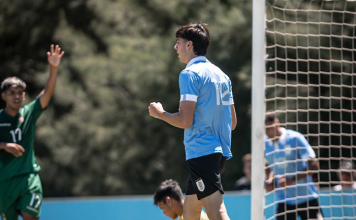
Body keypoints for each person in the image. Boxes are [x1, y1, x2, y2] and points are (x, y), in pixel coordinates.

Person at [148, 22, 237, 220]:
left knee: (217, 212)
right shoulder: (222, 76)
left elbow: (184, 121)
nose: (175, 47)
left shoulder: (189, 74)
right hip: (218, 152)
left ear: (189, 45)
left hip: (202, 152)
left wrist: (160, 113)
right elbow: (232, 123)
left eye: (178, 42)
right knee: (190, 213)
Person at [0, 45, 64, 220]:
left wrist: (53, 67)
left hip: (28, 178)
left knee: (31, 217)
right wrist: (4, 145)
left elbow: (47, 93)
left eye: (20, 93)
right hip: (4, 182)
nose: (17, 96)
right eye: (12, 93)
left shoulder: (28, 113)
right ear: (4, 96)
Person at [264, 112, 323, 220]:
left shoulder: (295, 138)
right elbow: (268, 165)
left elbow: (314, 165)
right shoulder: (264, 144)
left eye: (268, 128)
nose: (266, 132)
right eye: (264, 129)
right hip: (284, 200)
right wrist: (269, 180)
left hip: (307, 197)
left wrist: (292, 180)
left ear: (277, 123)